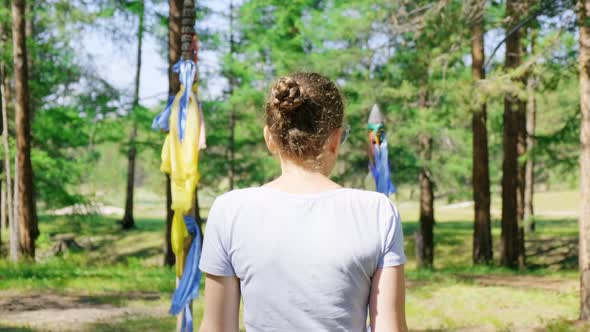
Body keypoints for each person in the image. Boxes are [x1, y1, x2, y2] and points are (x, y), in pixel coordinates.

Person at [199, 72, 407, 332]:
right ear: (335, 139)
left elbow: (216, 327)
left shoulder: (229, 211)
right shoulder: (378, 212)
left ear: (269, 139)